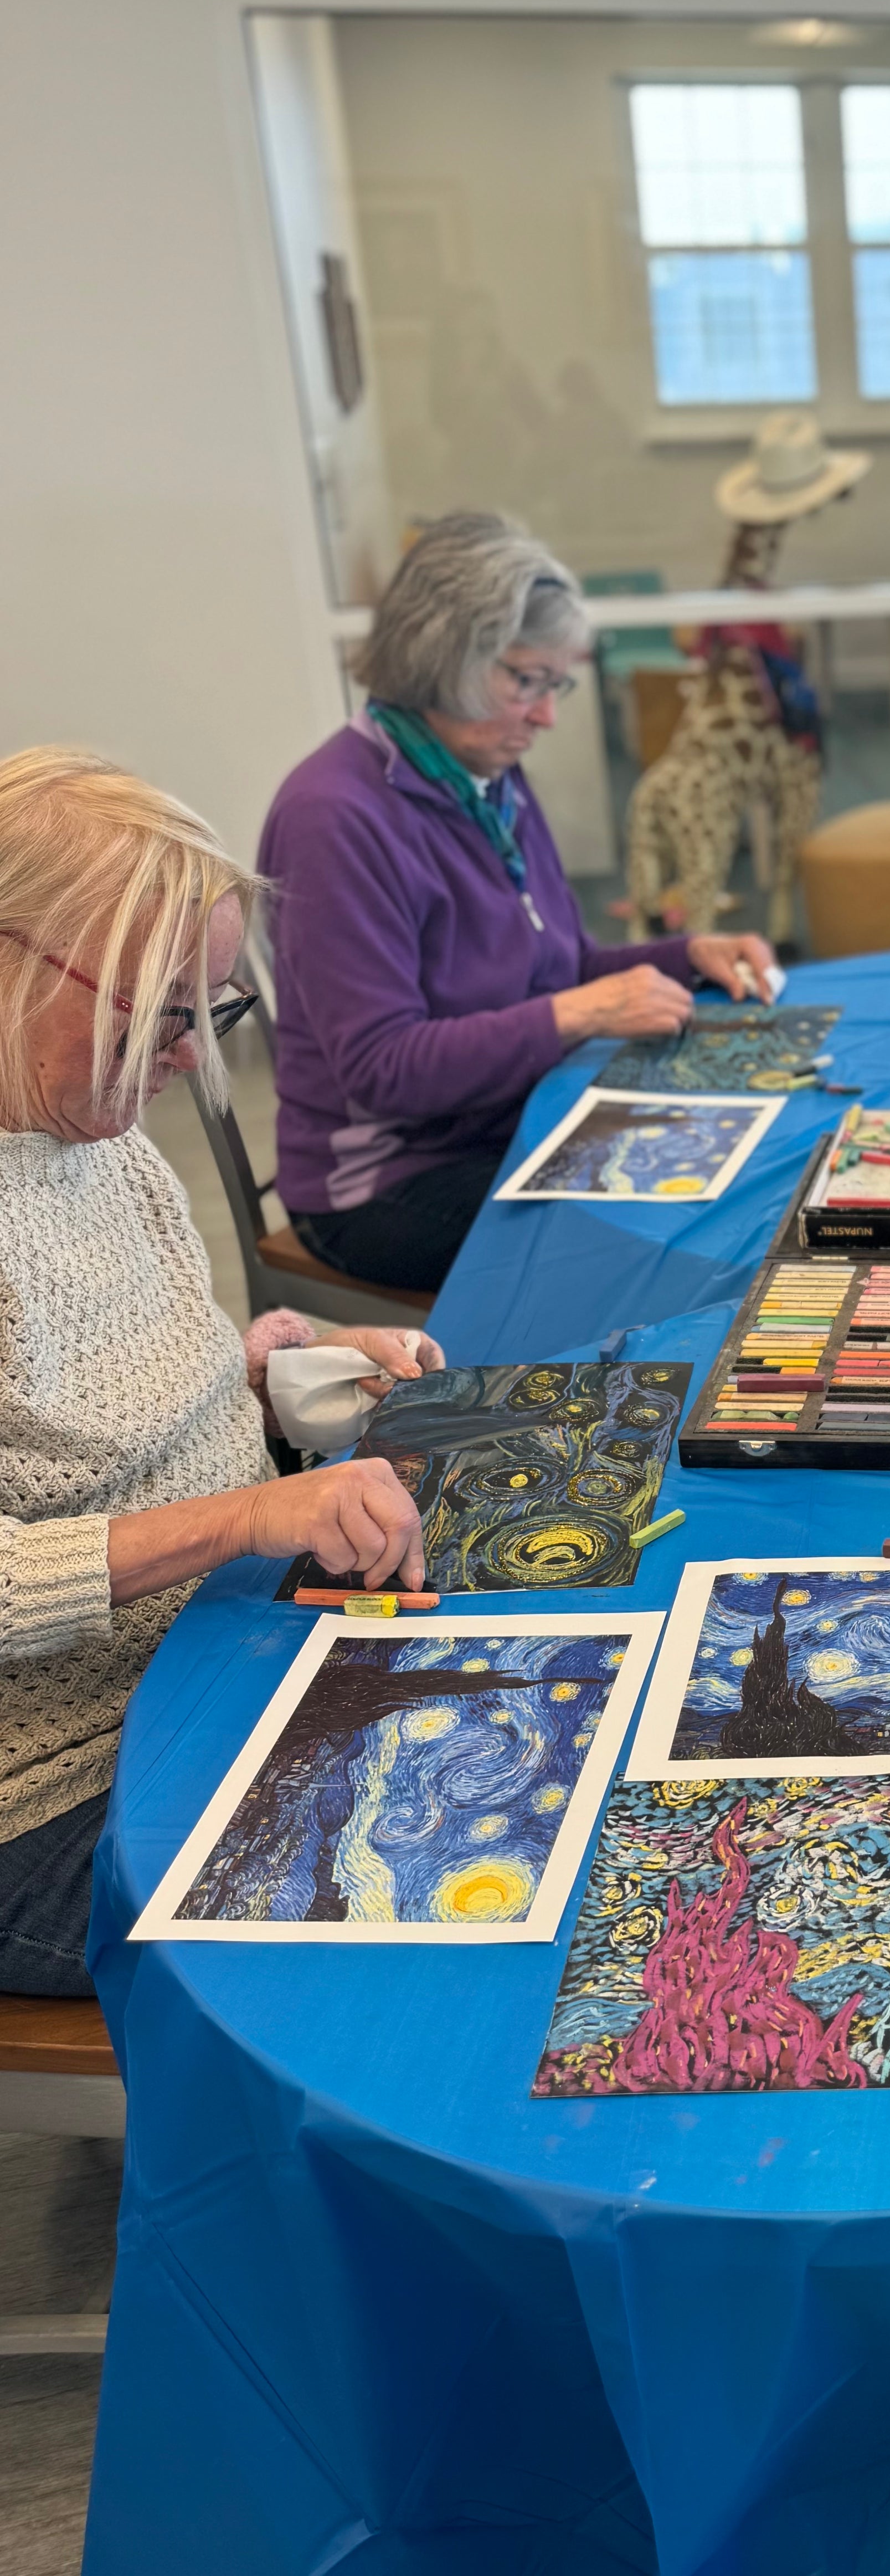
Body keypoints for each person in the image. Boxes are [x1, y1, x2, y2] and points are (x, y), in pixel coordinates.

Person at [0, 748, 440, 1996]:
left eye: (211, 1009)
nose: (193, 1058)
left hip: (216, 1643)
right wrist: (248, 1516)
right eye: (160, 1010)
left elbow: (107, 1415)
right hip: (54, 1784)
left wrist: (287, 1376)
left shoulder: (94, 1136)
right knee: (414, 1893)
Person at [259, 514, 777, 1295]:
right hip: (386, 1187)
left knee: (748, 1171)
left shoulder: (483, 771)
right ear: (444, 659)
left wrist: (684, 956)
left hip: (505, 1125)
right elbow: (382, 1070)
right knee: (676, 1237)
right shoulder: (333, 816)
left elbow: (557, 967)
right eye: (526, 681)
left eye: (553, 684)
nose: (546, 715)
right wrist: (582, 1012)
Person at [625, 409, 870, 948]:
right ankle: (773, 915)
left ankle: (765, 919)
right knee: (800, 764)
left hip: (693, 754)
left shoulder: (734, 610)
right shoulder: (744, 612)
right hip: (713, 766)